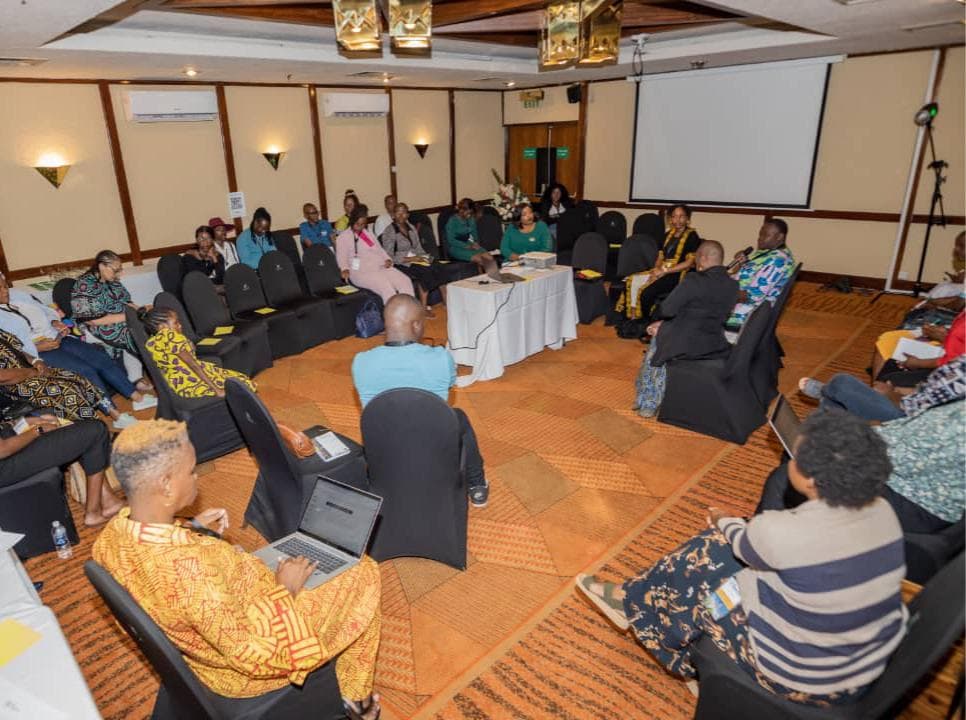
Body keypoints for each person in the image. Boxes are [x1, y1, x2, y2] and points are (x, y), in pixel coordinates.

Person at [578, 410, 907, 705]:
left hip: (801, 679)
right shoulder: (883, 511)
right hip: (861, 668)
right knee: (723, 558)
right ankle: (638, 603)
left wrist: (723, 518)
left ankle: (642, 613)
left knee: (705, 561)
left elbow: (743, 542)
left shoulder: (788, 531)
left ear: (809, 478)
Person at [92, 420, 382, 719]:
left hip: (224, 609)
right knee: (363, 572)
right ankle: (356, 702)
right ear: (165, 485)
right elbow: (253, 654)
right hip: (240, 668)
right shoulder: (189, 573)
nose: (196, 479)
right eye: (191, 471)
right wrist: (286, 590)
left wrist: (193, 528)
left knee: (319, 564)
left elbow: (160, 571)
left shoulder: (111, 537)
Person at [351, 294, 488, 507]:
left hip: (384, 442)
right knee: (460, 417)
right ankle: (477, 484)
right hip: (432, 441)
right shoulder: (442, 357)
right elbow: (451, 384)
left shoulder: (360, 361)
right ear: (416, 325)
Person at [757, 400, 965, 535]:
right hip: (911, 480)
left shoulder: (960, 423)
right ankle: (798, 527)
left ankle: (760, 544)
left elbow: (897, 457)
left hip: (913, 501)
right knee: (798, 453)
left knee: (785, 475)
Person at [0, 273, 156, 412]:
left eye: (5, 286)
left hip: (57, 337)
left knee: (100, 359)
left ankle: (137, 398)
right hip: (36, 352)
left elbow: (44, 311)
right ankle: (113, 412)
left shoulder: (19, 295)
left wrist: (55, 322)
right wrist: (37, 347)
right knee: (85, 371)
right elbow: (8, 348)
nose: (5, 291)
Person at [634, 241, 738, 417]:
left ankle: (648, 402)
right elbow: (705, 314)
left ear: (703, 258)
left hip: (686, 343)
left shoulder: (694, 280)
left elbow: (667, 309)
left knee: (656, 340)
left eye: (697, 257)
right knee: (663, 327)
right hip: (714, 342)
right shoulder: (733, 285)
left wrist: (663, 325)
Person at [0, 414, 122, 527]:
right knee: (96, 430)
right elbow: (3, 450)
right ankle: (93, 513)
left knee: (75, 428)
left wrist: (22, 422)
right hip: (6, 465)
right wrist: (37, 430)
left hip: (7, 443)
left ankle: (108, 500)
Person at [0, 328, 136, 427]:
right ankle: (94, 429)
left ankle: (112, 417)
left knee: (77, 378)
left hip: (31, 371)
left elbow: (18, 350)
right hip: (15, 386)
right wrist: (31, 372)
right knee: (66, 390)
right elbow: (3, 376)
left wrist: (36, 361)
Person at [612, 204, 702, 332]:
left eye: (681, 216)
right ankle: (633, 317)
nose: (677, 220)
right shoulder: (667, 235)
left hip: (676, 274)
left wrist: (664, 271)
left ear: (688, 219)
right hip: (662, 270)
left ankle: (645, 323)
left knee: (647, 292)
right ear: (670, 219)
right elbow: (660, 257)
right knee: (632, 280)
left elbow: (688, 263)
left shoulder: (692, 236)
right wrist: (656, 270)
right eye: (674, 217)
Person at [798, 354, 965, 422]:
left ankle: (825, 392)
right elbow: (932, 391)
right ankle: (829, 399)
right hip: (917, 402)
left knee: (842, 383)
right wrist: (902, 391)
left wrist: (894, 396)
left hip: (910, 420)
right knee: (836, 405)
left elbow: (926, 408)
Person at [143, 308, 255, 399]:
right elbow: (193, 365)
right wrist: (216, 389)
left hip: (176, 381)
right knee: (240, 382)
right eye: (176, 323)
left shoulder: (152, 341)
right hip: (190, 378)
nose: (180, 326)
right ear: (162, 327)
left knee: (236, 380)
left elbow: (163, 367)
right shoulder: (171, 336)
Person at [70, 250, 140, 362]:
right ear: (102, 266)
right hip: (99, 325)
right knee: (135, 334)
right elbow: (93, 321)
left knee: (153, 322)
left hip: (122, 317)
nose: (120, 274)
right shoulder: (84, 286)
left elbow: (127, 302)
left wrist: (141, 311)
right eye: (116, 270)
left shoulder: (112, 280)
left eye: (120, 269)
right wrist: (130, 316)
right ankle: (155, 367)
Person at [335, 205, 415, 304]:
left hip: (380, 267)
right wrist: (344, 269)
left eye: (363, 224)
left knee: (405, 281)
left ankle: (410, 312)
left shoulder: (368, 234)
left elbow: (379, 250)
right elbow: (341, 257)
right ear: (352, 221)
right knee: (386, 287)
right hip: (361, 273)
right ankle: (394, 317)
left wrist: (387, 259)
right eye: (357, 224)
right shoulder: (343, 237)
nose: (360, 227)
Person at [380, 202, 448, 318]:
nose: (401, 215)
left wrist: (425, 257)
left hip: (416, 258)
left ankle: (446, 301)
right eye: (398, 212)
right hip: (401, 263)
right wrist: (412, 259)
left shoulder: (411, 227)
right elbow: (389, 256)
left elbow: (418, 247)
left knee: (438, 266)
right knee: (424, 271)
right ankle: (423, 308)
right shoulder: (389, 231)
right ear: (393, 215)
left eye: (404, 212)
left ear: (408, 214)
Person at [726, 218, 795, 330]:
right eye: (760, 234)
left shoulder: (778, 261)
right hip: (739, 295)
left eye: (765, 235)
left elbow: (752, 296)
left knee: (698, 309)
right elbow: (755, 272)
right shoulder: (769, 251)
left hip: (746, 312)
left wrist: (721, 291)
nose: (760, 239)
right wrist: (743, 263)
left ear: (779, 237)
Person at [874, 310, 965, 387]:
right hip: (947, 354)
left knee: (888, 380)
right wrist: (947, 336)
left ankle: (876, 395)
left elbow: (955, 361)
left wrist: (917, 363)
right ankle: (874, 391)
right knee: (889, 341)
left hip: (954, 373)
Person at [444, 198, 499, 274]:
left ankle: (493, 278)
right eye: (468, 213)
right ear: (461, 210)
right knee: (480, 259)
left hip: (470, 244)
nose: (469, 215)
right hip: (456, 247)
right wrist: (468, 246)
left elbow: (474, 233)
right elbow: (451, 240)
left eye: (471, 213)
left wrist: (476, 242)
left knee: (490, 258)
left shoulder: (470, 218)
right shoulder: (452, 221)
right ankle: (486, 277)